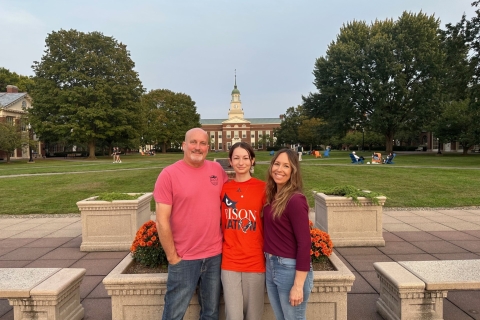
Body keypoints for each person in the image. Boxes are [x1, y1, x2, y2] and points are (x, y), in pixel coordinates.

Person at [154, 128, 228, 320]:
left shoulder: (217, 171)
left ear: (208, 148)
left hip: (214, 256)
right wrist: (172, 257)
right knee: (173, 314)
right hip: (183, 258)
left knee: (211, 313)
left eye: (203, 143)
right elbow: (162, 220)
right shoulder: (169, 174)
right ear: (184, 146)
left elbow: (232, 201)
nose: (198, 147)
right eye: (193, 142)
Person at [263, 149, 313, 320]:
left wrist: (298, 286)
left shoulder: (295, 200)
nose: (279, 169)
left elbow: (305, 243)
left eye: (286, 166)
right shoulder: (274, 195)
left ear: (293, 171)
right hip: (272, 264)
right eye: (277, 164)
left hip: (289, 269)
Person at [220, 142, 266, 320]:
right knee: (233, 315)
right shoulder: (223, 189)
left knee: (254, 316)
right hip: (230, 260)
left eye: (245, 158)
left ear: (252, 160)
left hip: (255, 260)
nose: (241, 162)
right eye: (236, 158)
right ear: (230, 161)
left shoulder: (263, 188)